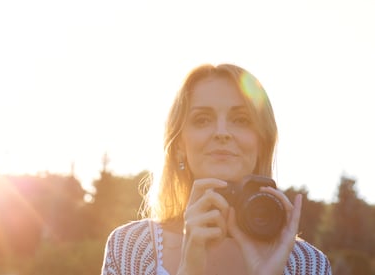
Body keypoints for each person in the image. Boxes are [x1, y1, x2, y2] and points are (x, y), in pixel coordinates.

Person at [101, 63, 332, 275]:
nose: (222, 132)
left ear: (262, 142)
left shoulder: (309, 264)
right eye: (202, 120)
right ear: (180, 144)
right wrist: (189, 268)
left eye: (241, 120)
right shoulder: (129, 247)